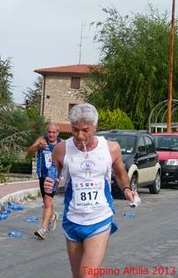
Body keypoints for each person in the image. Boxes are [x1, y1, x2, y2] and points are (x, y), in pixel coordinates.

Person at [45, 103, 137, 278]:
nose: (80, 136)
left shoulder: (111, 148)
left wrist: (126, 189)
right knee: (78, 275)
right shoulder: (61, 149)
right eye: (75, 130)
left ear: (95, 126)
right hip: (73, 218)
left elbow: (119, 172)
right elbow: (54, 177)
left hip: (99, 218)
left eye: (85, 130)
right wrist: (50, 185)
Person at [27, 123, 62, 239]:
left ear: (58, 133)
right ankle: (53, 216)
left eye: (54, 132)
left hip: (54, 177)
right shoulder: (41, 140)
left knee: (47, 201)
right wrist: (37, 146)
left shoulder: (62, 144)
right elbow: (29, 152)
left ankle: (43, 229)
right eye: (49, 132)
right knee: (46, 201)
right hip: (42, 175)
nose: (51, 135)